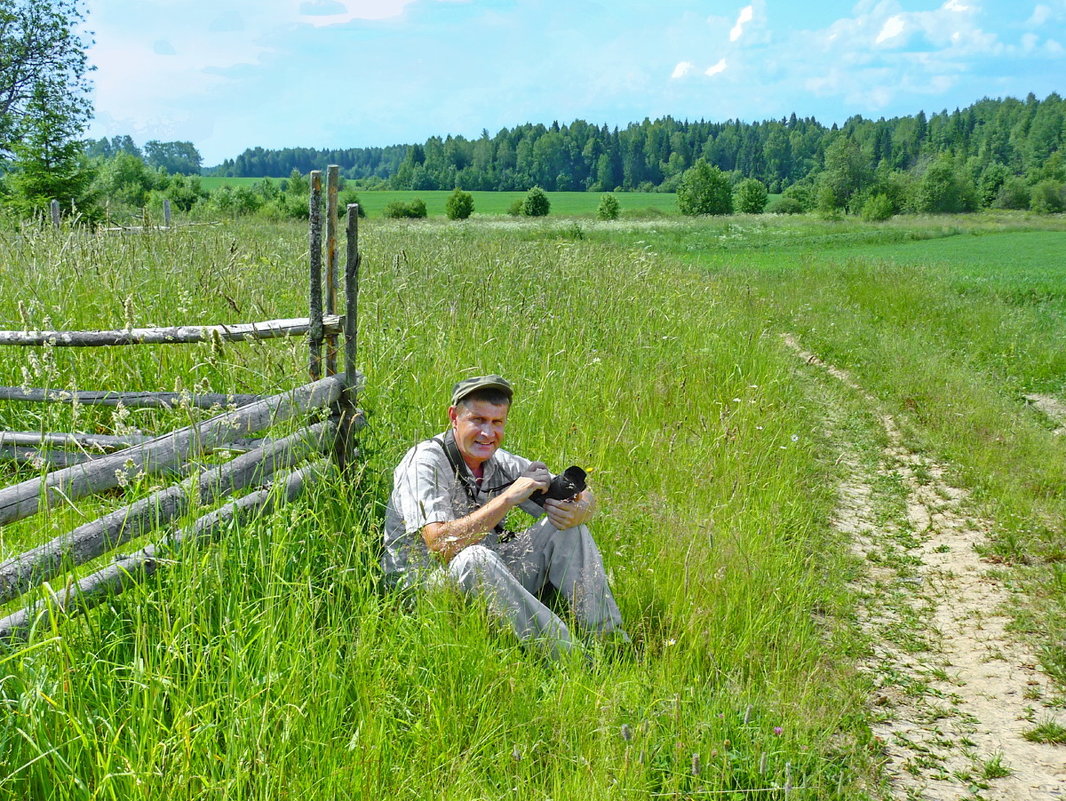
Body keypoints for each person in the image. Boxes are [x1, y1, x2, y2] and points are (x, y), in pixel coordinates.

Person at [383, 374, 626, 657]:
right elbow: (440, 544)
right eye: (478, 420)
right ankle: (572, 659)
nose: (488, 433)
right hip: (428, 591)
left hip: (487, 573)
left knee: (568, 530)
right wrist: (509, 497)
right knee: (474, 558)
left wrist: (580, 509)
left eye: (497, 422)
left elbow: (578, 493)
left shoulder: (497, 461)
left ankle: (611, 643)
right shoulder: (425, 462)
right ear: (454, 417)